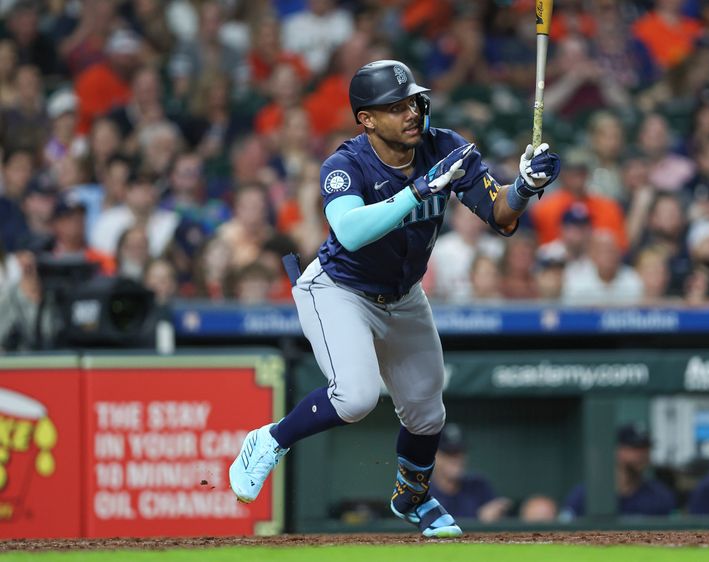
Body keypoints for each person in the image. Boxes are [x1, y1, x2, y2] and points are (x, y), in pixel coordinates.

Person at [228, 59, 560, 538]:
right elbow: (350, 230)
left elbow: (500, 216)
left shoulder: (444, 147)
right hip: (339, 290)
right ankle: (269, 441)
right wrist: (418, 190)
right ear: (367, 119)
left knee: (428, 412)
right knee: (357, 396)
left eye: (413, 101)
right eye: (395, 106)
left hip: (403, 296)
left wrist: (526, 188)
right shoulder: (344, 164)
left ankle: (414, 498)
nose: (411, 112)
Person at [561, 423, 676, 519]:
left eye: (646, 448)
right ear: (615, 450)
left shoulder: (660, 495)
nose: (643, 454)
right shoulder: (585, 494)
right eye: (635, 447)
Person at [428, 424, 511, 522]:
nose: (456, 459)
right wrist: (479, 519)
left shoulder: (478, 485)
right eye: (449, 453)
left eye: (460, 452)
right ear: (434, 455)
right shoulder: (422, 492)